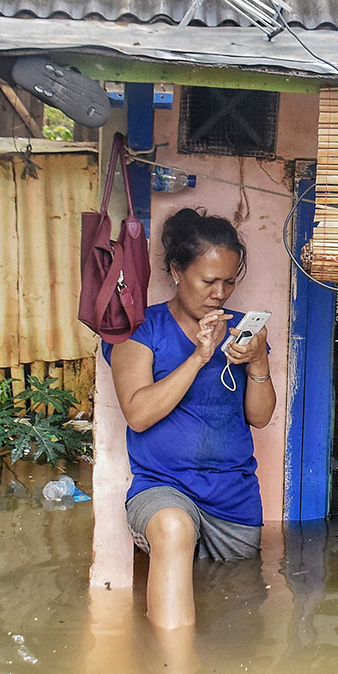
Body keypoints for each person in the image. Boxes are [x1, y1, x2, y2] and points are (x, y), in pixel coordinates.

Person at [106, 208, 276, 630]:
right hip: (163, 488)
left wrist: (257, 362)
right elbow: (139, 414)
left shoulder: (242, 332)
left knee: (233, 614)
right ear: (178, 271)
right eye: (208, 281)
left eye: (229, 282)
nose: (220, 293)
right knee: (173, 529)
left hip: (233, 498)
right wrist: (201, 357)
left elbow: (260, 417)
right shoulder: (141, 330)